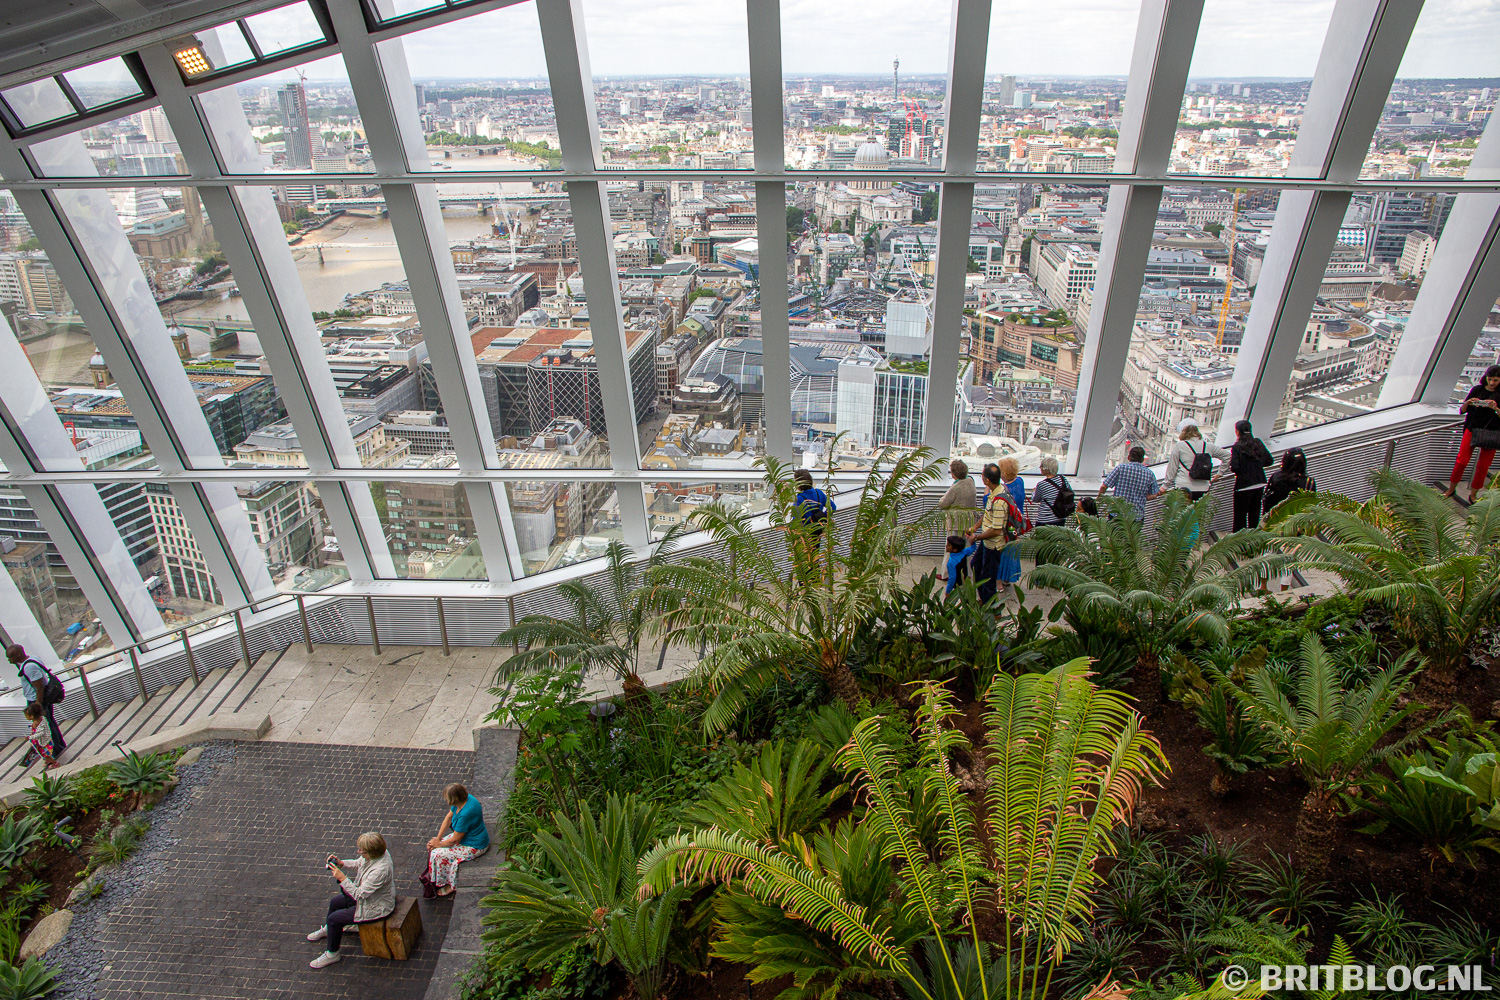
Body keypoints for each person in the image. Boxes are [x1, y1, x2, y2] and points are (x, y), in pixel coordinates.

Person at [307, 832, 395, 968]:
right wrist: (342, 863)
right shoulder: (377, 854)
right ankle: (329, 930)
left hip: (377, 907)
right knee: (335, 902)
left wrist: (342, 878)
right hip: (370, 898)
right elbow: (359, 863)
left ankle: (332, 953)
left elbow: (358, 895)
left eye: (361, 851)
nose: (359, 852)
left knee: (334, 919)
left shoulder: (380, 871)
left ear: (371, 852)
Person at [1444, 364, 1500, 504]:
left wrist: (1495, 408)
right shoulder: (1477, 390)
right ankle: (1451, 489)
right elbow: (1462, 410)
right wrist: (1469, 402)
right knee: (1461, 461)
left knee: (1483, 466)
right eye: (1490, 379)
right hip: (1472, 428)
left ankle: (1473, 494)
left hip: (1491, 432)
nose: (1491, 383)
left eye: (1495, 380)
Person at [425, 783, 490, 896]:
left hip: (474, 845)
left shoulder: (465, 814)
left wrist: (438, 844)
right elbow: (448, 818)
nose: (446, 801)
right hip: (466, 838)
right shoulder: (464, 800)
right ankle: (438, 878)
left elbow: (455, 840)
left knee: (438, 854)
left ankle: (451, 885)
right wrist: (438, 839)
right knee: (434, 848)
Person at [967, 463, 1014, 603]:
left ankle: (991, 607)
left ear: (986, 480)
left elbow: (996, 530)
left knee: (988, 578)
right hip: (986, 542)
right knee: (976, 565)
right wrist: (975, 527)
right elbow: (988, 513)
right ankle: (984, 599)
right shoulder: (996, 492)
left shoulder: (999, 501)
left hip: (993, 546)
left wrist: (976, 537)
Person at [8, 645, 64, 758]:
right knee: (49, 723)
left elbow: (39, 687)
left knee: (45, 727)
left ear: (18, 654)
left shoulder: (29, 667)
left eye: (11, 657)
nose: (9, 660)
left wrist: (37, 705)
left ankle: (55, 751)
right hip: (40, 699)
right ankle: (59, 747)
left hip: (36, 700)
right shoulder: (32, 659)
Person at [1157, 418, 1229, 500]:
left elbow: (1172, 468)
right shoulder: (1208, 446)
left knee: (1183, 508)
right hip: (1203, 487)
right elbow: (1227, 456)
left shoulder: (1180, 446)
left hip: (1183, 487)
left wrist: (1164, 486)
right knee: (1198, 508)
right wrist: (1220, 473)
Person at [1228, 419, 1274, 532]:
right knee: (1254, 514)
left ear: (1237, 432)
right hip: (1259, 483)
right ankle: (1253, 537)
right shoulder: (1258, 442)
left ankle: (1239, 539)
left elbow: (1235, 467)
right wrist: (1256, 466)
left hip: (1243, 485)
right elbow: (1269, 460)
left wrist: (1244, 470)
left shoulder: (1237, 447)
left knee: (1240, 516)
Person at [1098, 445, 1158, 523]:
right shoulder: (1149, 474)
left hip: (1117, 514)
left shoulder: (1120, 468)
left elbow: (1104, 486)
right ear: (1143, 459)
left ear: (1128, 457)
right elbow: (1154, 495)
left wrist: (1099, 500)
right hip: (1136, 518)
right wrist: (1141, 497)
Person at [994, 457, 1028, 590]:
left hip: (1007, 524)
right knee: (1012, 551)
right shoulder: (1020, 481)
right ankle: (1008, 577)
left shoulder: (1003, 488)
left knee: (1002, 551)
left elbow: (990, 502)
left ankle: (998, 581)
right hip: (1018, 524)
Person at [1262, 447, 1314, 517]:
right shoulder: (1309, 481)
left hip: (1277, 517)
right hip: (1299, 518)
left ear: (1285, 461)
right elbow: (1312, 504)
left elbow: (1267, 499)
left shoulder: (1276, 477)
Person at [1030, 455, 1073, 527]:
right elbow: (1069, 492)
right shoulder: (1063, 479)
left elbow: (1035, 499)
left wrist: (1033, 492)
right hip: (1061, 518)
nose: (1040, 468)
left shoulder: (1042, 484)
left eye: (1042, 466)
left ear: (1047, 470)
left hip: (1044, 520)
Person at [936, 459, 977, 534]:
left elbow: (942, 504)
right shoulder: (970, 480)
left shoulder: (956, 487)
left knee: (953, 541)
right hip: (969, 522)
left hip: (956, 524)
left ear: (953, 474)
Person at [23, 703, 58, 770]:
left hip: (43, 742)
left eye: (26, 716)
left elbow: (40, 734)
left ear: (31, 716)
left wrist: (29, 737)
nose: (25, 717)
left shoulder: (38, 724)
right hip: (39, 740)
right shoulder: (41, 719)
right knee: (43, 753)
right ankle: (48, 761)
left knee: (46, 754)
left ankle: (55, 763)